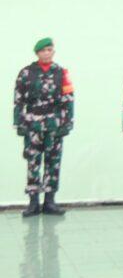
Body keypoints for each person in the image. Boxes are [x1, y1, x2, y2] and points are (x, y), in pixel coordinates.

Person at [13, 37, 74, 217]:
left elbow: (69, 98)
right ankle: (33, 202)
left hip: (54, 124)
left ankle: (49, 201)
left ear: (53, 52)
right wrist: (19, 122)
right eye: (43, 50)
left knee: (53, 162)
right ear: (37, 53)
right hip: (33, 123)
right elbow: (18, 100)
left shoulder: (61, 72)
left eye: (49, 50)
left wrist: (67, 122)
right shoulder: (26, 73)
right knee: (33, 162)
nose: (46, 53)